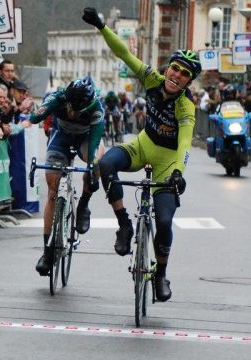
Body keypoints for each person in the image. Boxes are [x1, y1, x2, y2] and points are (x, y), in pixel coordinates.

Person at [83, 7, 193, 302]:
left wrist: (178, 172)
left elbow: (184, 142)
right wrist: (102, 26)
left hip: (167, 162)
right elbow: (124, 55)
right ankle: (124, 224)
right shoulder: (153, 79)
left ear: (187, 82)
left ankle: (161, 275)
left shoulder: (186, 106)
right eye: (175, 69)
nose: (177, 76)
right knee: (106, 164)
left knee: (166, 222)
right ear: (168, 68)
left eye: (184, 75)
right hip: (143, 145)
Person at [22, 76, 104, 276]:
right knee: (52, 192)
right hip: (62, 138)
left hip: (86, 138)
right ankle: (47, 252)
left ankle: (84, 204)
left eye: (79, 111)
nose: (74, 114)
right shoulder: (58, 97)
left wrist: (92, 167)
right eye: (71, 108)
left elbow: (93, 144)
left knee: (98, 161)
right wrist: (24, 123)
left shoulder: (97, 109)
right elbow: (36, 117)